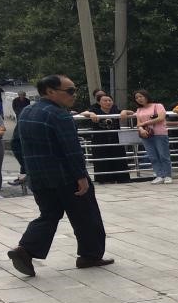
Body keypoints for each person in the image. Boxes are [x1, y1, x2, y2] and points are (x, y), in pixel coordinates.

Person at [6, 75, 113, 277]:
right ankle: (90, 256)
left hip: (38, 177)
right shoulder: (59, 115)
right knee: (86, 215)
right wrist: (81, 176)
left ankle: (24, 250)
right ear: (50, 91)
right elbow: (71, 149)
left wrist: (28, 168)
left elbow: (16, 144)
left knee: (49, 215)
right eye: (70, 91)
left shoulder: (27, 111)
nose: (74, 95)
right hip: (66, 177)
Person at [80, 93, 131, 184]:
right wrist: (91, 114)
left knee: (119, 158)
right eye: (105, 100)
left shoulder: (115, 109)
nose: (108, 102)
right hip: (100, 139)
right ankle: (104, 179)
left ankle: (122, 178)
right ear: (99, 102)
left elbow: (132, 112)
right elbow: (82, 113)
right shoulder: (95, 110)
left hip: (115, 139)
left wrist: (124, 111)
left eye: (110, 100)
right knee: (102, 159)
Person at [123, 90, 171, 183]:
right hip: (146, 135)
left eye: (141, 96)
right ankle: (159, 175)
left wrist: (145, 123)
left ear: (146, 96)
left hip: (160, 133)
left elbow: (161, 118)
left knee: (163, 155)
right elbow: (138, 124)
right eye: (137, 98)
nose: (139, 99)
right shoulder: (139, 110)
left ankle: (167, 175)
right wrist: (141, 129)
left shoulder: (158, 106)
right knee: (152, 156)